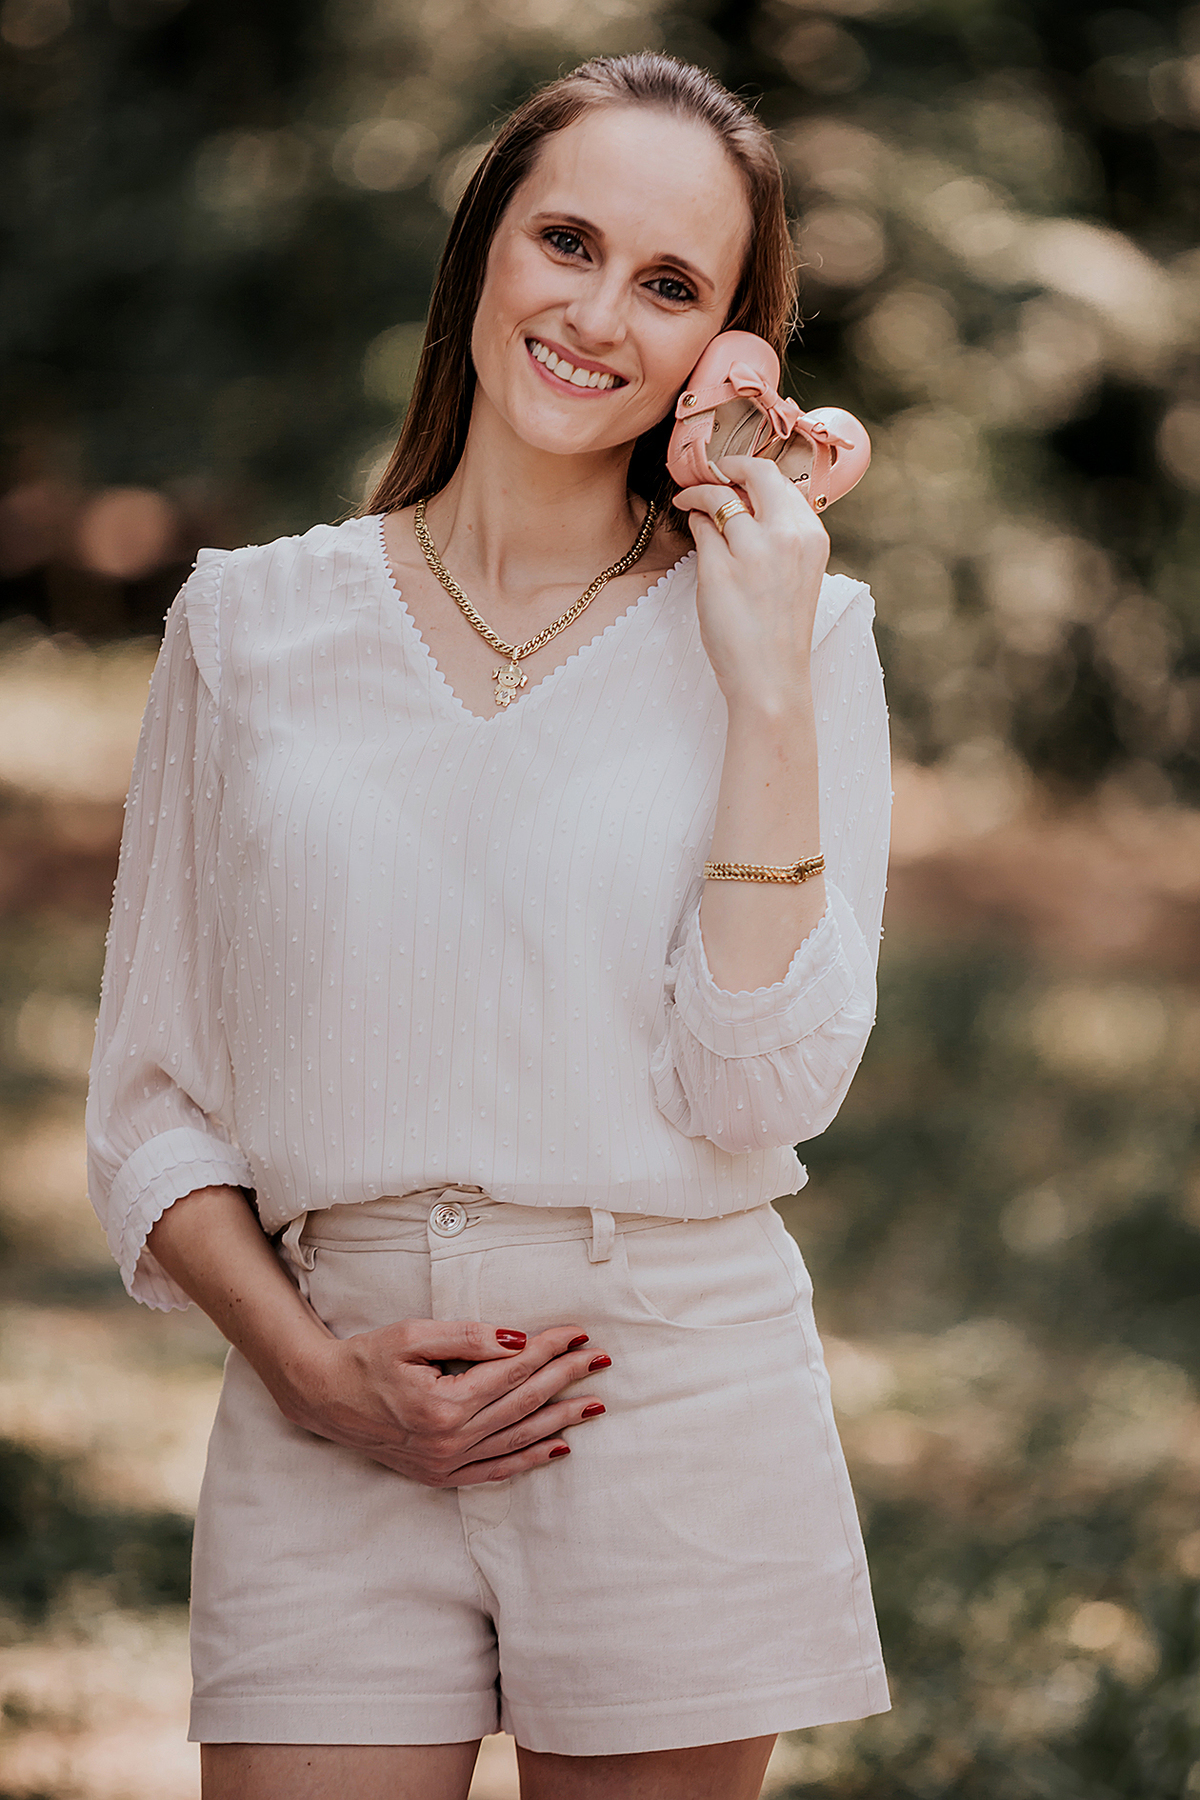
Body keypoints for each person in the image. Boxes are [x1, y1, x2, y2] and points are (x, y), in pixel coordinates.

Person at [86, 50, 892, 1800]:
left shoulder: (803, 635)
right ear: (484, 250)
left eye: (669, 285)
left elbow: (765, 1089)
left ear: (731, 353)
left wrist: (760, 683)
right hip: (329, 1402)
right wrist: (311, 1373)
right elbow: (151, 1105)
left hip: (671, 1391)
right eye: (568, 242)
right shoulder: (248, 625)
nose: (597, 315)